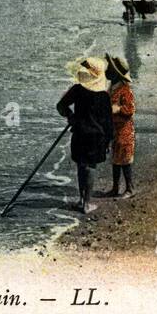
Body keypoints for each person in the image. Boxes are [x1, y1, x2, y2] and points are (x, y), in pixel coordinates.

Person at [57, 57, 114, 214]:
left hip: (79, 133)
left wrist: (71, 116)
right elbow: (108, 123)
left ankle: (82, 200)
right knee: (90, 167)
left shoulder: (77, 90)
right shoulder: (103, 96)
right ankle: (86, 203)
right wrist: (109, 141)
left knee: (81, 166)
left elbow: (61, 106)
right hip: (96, 137)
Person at [106, 55, 136, 198]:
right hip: (115, 129)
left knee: (124, 160)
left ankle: (130, 188)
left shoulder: (124, 89)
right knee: (116, 159)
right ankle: (115, 187)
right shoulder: (112, 87)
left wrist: (118, 109)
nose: (106, 70)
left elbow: (130, 110)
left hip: (124, 130)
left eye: (109, 69)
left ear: (115, 74)